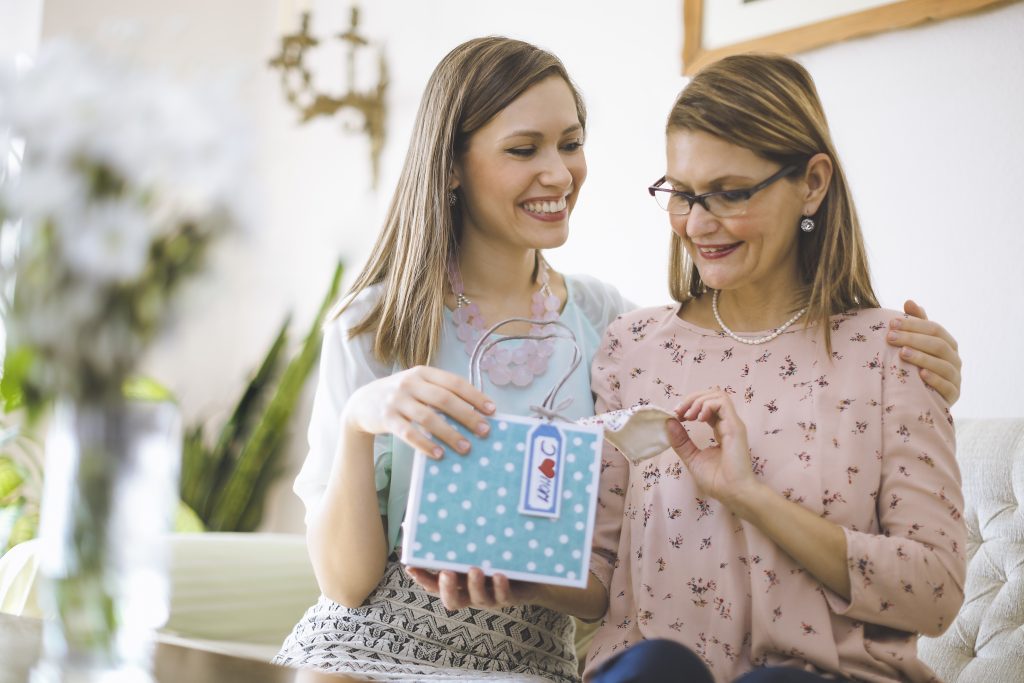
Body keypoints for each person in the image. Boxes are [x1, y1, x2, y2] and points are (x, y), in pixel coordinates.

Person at [274, 37, 963, 681]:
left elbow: (600, 558)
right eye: (523, 148)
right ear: (451, 165)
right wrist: (362, 422)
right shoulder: (387, 325)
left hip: (534, 652)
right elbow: (349, 582)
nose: (558, 171)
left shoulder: (610, 325)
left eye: (570, 143)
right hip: (377, 640)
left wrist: (922, 372)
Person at [581, 54, 967, 682]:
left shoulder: (891, 353)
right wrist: (515, 580)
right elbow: (597, 574)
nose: (698, 223)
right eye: (681, 194)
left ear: (812, 183)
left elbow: (936, 590)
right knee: (652, 667)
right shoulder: (633, 347)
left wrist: (749, 497)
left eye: (731, 193)